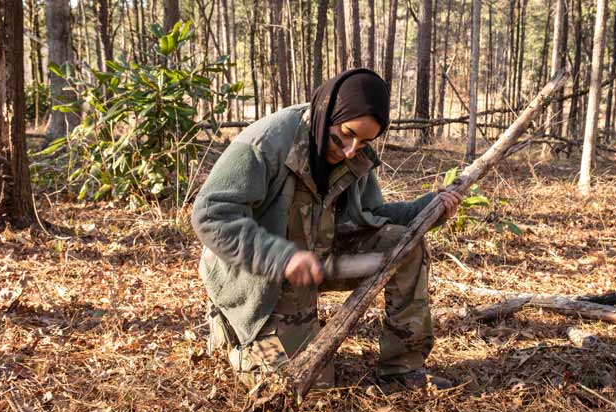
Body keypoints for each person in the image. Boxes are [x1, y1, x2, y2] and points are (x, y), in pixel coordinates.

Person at [192, 68, 463, 390]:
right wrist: (281, 259)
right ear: (327, 112)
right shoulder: (266, 144)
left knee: (404, 245)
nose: (350, 150)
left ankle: (403, 368)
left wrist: (428, 209)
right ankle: (235, 337)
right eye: (345, 135)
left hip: (321, 261)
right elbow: (212, 215)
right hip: (261, 280)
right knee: (308, 388)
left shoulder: (353, 152)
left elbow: (370, 215)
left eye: (363, 142)